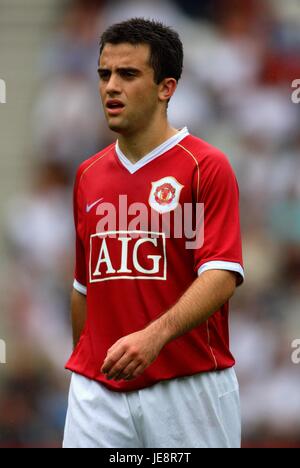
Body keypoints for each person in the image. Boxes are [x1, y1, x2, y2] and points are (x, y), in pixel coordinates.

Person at [63, 18, 245, 449]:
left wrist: (154, 336)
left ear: (166, 87)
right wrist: (85, 368)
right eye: (105, 74)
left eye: (128, 74)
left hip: (187, 386)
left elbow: (221, 275)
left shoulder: (206, 166)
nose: (111, 86)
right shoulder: (87, 174)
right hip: (98, 392)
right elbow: (83, 286)